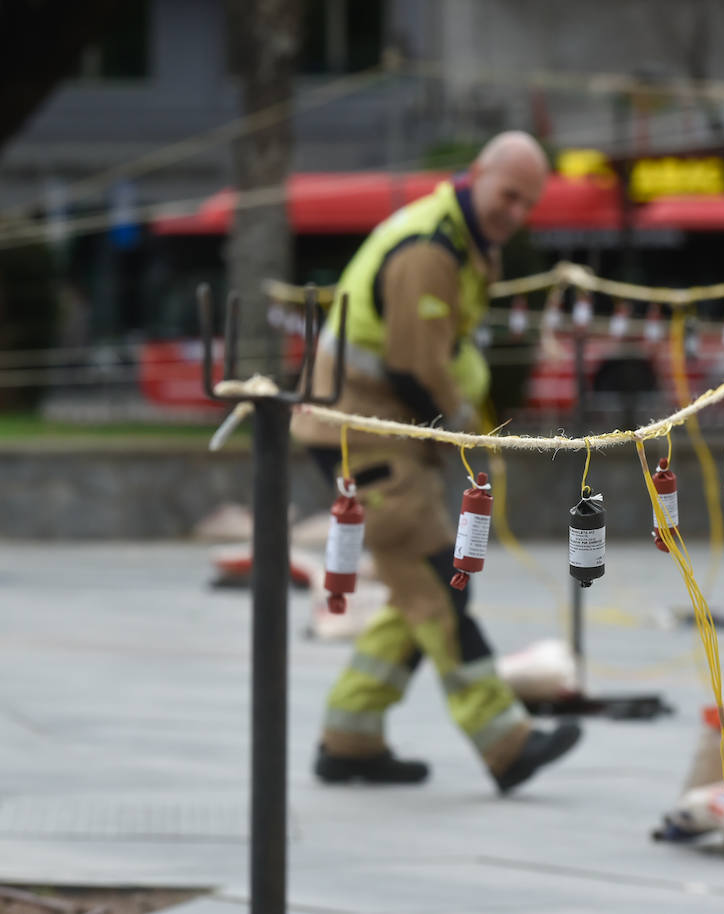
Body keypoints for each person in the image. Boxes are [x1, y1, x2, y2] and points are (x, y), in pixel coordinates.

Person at [291, 131, 582, 793]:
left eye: (527, 203)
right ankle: (505, 744)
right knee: (436, 580)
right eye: (510, 194)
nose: (516, 212)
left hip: (378, 432)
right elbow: (417, 366)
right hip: (361, 433)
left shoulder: (462, 241)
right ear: (477, 174)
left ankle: (350, 736)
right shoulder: (431, 250)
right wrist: (458, 431)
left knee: (419, 584)